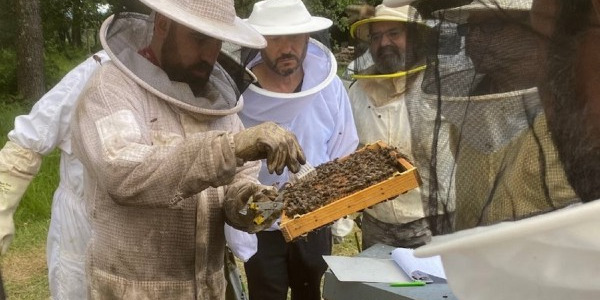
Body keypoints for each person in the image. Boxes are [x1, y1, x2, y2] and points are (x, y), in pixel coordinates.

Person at [70, 0, 306, 298]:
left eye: (217, 42)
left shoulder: (220, 106)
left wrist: (265, 206)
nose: (209, 54)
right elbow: (123, 173)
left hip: (208, 289)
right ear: (163, 24)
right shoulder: (111, 89)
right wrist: (231, 149)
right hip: (132, 291)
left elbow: (238, 201)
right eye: (199, 39)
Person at [238, 0, 359, 299]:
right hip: (260, 217)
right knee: (266, 292)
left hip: (315, 213)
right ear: (258, 42)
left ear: (308, 38)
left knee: (310, 291)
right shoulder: (239, 94)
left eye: (295, 37)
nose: (287, 47)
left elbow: (343, 145)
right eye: (275, 39)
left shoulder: (329, 87)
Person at [423, 0, 579, 230]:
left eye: (491, 26)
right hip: (475, 254)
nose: (472, 39)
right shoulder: (467, 111)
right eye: (468, 29)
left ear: (537, 28)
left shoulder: (580, 115)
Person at [0, 50, 109, 299]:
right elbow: (33, 134)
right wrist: (2, 203)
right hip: (82, 230)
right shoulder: (99, 69)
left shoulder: (215, 85)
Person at [346, 4, 435, 249]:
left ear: (414, 38)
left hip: (432, 223)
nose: (384, 43)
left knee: (433, 289)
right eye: (376, 37)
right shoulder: (357, 93)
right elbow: (347, 152)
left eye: (394, 34)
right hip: (376, 223)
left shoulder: (440, 89)